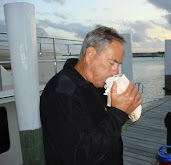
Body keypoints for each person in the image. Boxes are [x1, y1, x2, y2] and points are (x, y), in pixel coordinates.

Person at [40, 25, 142, 165]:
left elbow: (103, 131)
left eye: (118, 65)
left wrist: (126, 104)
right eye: (112, 63)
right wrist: (118, 113)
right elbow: (77, 156)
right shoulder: (61, 93)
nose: (116, 71)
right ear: (90, 54)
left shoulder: (96, 86)